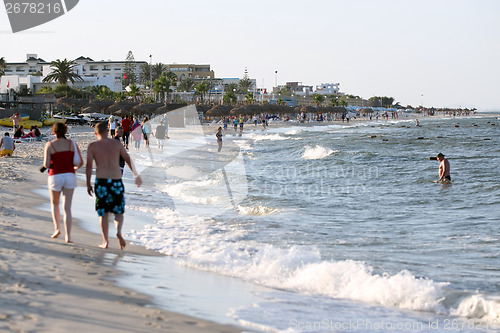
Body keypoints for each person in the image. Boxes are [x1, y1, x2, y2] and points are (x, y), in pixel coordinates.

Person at [86, 122, 142, 249]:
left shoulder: (93, 146)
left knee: (103, 213)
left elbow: (89, 166)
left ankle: (105, 241)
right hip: (116, 181)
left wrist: (88, 183)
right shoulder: (116, 144)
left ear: (96, 133)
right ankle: (118, 232)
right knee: (118, 212)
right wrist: (135, 175)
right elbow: (127, 159)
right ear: (108, 131)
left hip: (101, 182)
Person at [43, 122, 84, 243]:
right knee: (67, 208)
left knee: (55, 204)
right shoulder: (72, 144)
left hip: (55, 176)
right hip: (70, 175)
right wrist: (73, 169)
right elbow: (79, 162)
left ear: (53, 131)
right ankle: (68, 237)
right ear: (65, 131)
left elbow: (46, 164)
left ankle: (57, 229)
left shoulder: (50, 145)